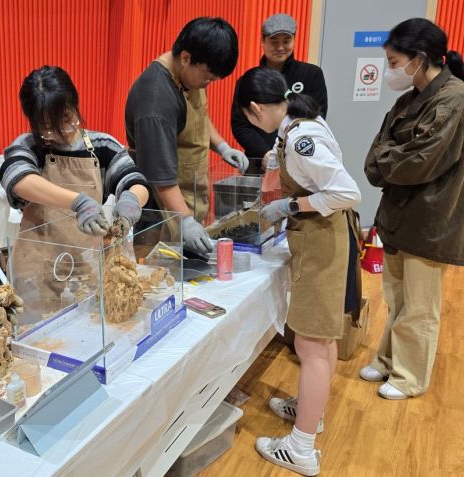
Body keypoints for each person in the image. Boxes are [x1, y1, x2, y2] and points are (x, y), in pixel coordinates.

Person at [236, 67, 360, 476]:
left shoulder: (301, 141)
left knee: (309, 345)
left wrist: (289, 206)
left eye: (248, 118)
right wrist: (274, 158)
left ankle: (301, 448)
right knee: (318, 340)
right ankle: (311, 410)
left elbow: (346, 192)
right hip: (321, 241)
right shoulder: (298, 126)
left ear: (255, 109)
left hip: (321, 243)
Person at [361, 18, 464, 400]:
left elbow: (419, 162)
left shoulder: (454, 98)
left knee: (419, 305)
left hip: (431, 219)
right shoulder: (409, 98)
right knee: (397, 297)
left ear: (419, 58)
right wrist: (389, 157)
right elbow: (376, 157)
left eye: (394, 62)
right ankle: (387, 362)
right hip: (400, 214)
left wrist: (387, 157)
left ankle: (409, 377)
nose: (390, 71)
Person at [0, 65, 149, 320]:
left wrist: (131, 200)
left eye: (67, 119)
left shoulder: (102, 145)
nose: (60, 132)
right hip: (38, 272)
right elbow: (17, 178)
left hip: (87, 268)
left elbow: (134, 180)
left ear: (76, 106)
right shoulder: (29, 146)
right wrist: (78, 202)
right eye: (47, 126)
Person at [125, 17, 243, 254]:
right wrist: (185, 221)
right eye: (207, 78)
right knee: (162, 278)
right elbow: (160, 176)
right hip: (163, 211)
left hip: (188, 199)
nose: (207, 85)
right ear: (186, 57)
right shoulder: (156, 98)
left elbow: (198, 116)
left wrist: (221, 146)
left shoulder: (187, 77)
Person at [231, 13, 328, 175]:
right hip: (259, 163)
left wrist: (286, 155)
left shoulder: (311, 74)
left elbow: (316, 119)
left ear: (294, 40)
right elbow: (240, 124)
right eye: (274, 41)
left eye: (286, 41)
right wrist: (266, 154)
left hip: (299, 163)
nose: (280, 47)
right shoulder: (248, 81)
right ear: (262, 41)